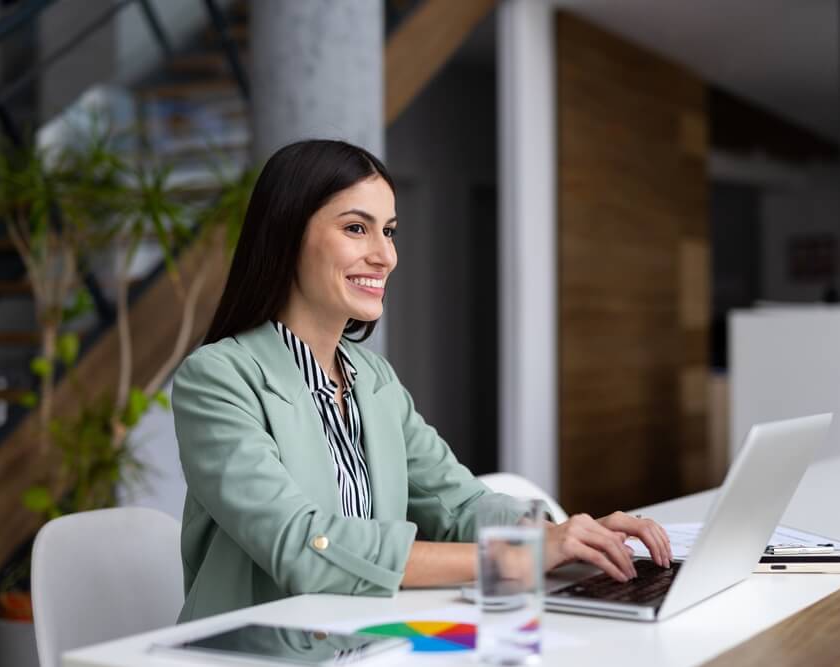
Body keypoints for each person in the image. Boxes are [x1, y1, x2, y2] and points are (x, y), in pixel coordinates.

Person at [171, 139, 672, 622]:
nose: (384, 255)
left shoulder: (373, 378)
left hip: (370, 637)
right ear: (286, 235)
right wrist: (518, 557)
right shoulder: (216, 379)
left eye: (388, 231)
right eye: (355, 228)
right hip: (261, 652)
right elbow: (302, 545)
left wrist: (561, 536)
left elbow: (458, 505)